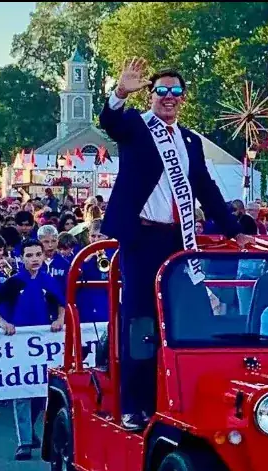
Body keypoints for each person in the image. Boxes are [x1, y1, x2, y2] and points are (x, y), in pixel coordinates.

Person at [99, 58, 246, 430]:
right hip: (142, 237)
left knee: (194, 315)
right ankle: (135, 404)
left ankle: (190, 396)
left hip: (178, 239)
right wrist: (119, 92)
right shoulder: (136, 126)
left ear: (183, 98)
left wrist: (234, 230)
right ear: (151, 96)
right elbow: (110, 122)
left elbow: (206, 189)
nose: (168, 97)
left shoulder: (190, 140)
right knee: (139, 320)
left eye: (175, 92)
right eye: (161, 91)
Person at [0, 240, 65, 460]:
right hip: (18, 343)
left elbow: (62, 304)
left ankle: (29, 429)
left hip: (43, 344)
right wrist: (4, 324)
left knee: (41, 392)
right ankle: (24, 442)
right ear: (22, 258)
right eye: (29, 255)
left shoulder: (49, 281)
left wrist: (59, 319)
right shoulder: (13, 282)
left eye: (38, 254)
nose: (35, 259)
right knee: (21, 391)